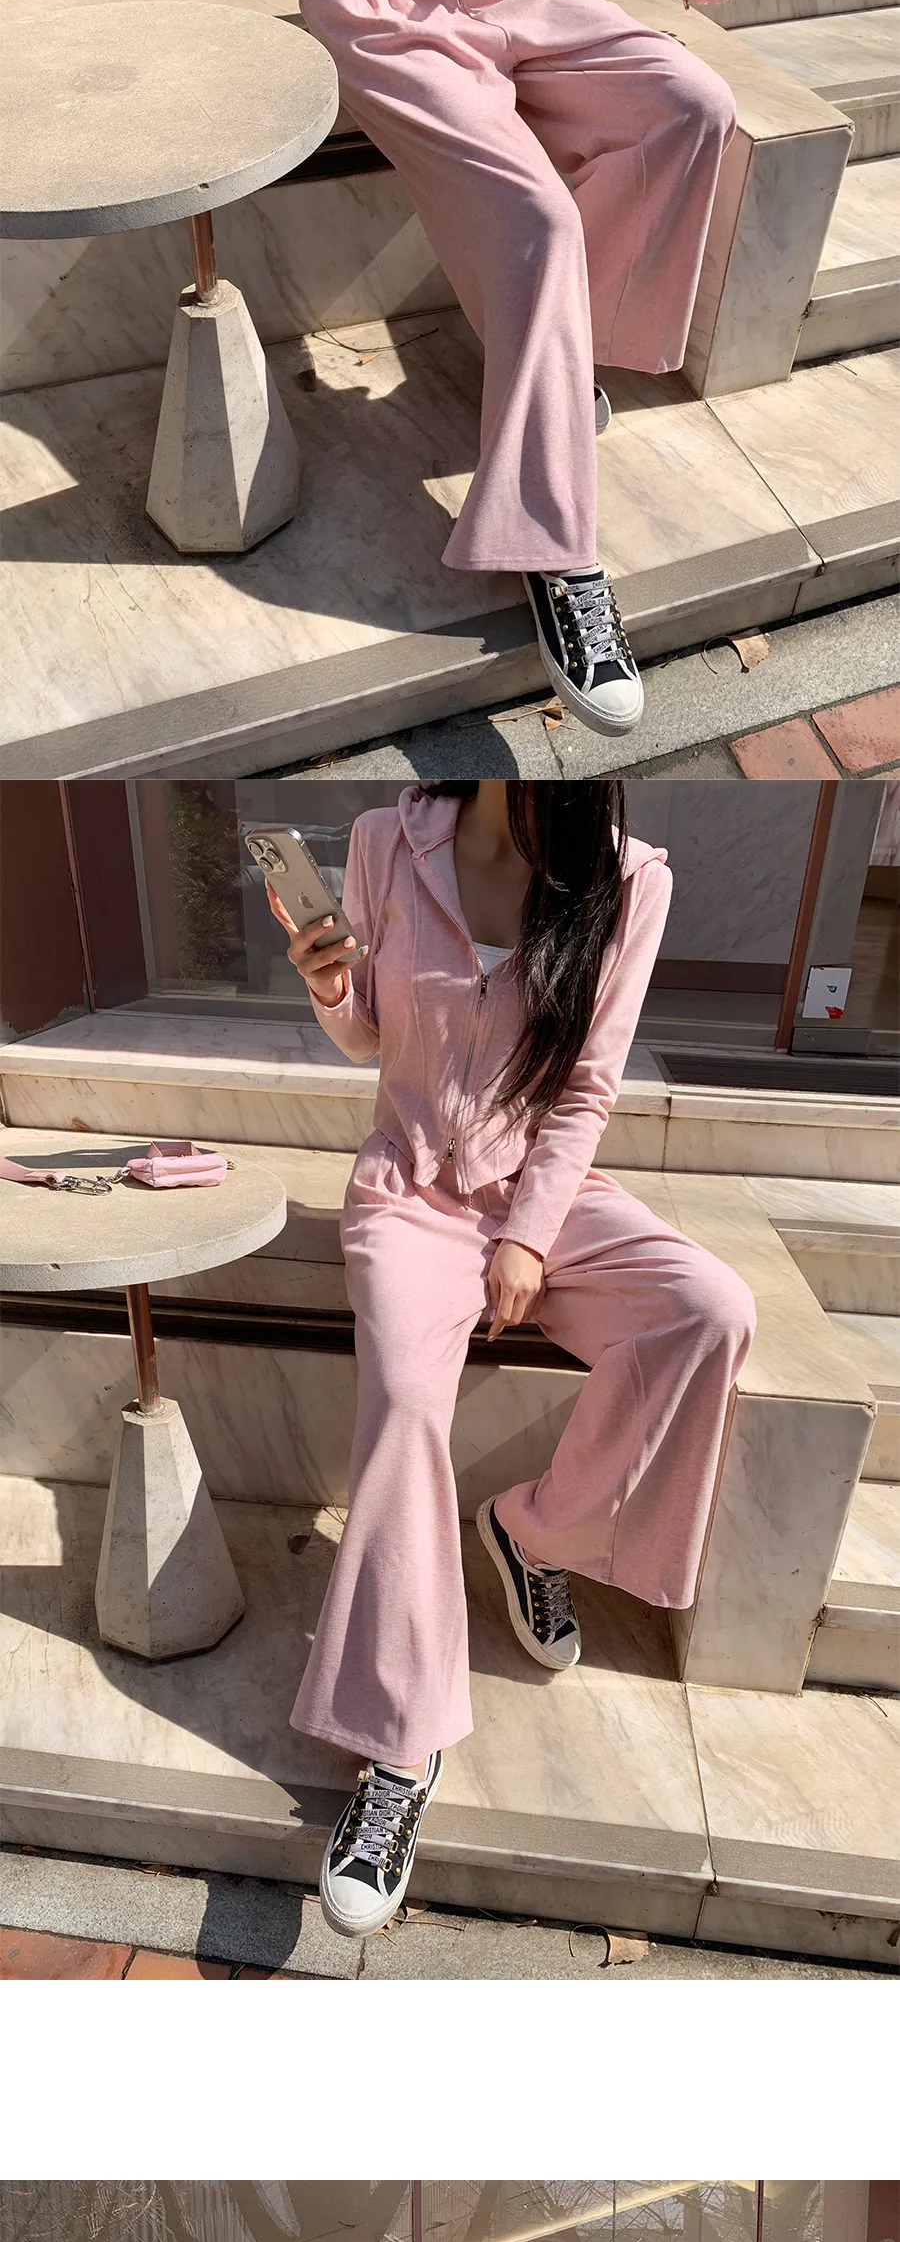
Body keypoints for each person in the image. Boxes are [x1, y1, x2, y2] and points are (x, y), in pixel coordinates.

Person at [213, 0, 742, 737]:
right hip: (380, 6)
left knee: (691, 103)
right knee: (538, 217)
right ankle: (559, 554)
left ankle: (561, 356)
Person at [268, 779, 756, 1935]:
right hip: (411, 1192)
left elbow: (587, 1087)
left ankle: (534, 1530)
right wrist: (328, 983)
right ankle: (400, 1747)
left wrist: (530, 1233)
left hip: (547, 1192)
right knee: (403, 1404)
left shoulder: (631, 881)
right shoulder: (387, 839)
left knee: (709, 1309)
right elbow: (371, 1031)